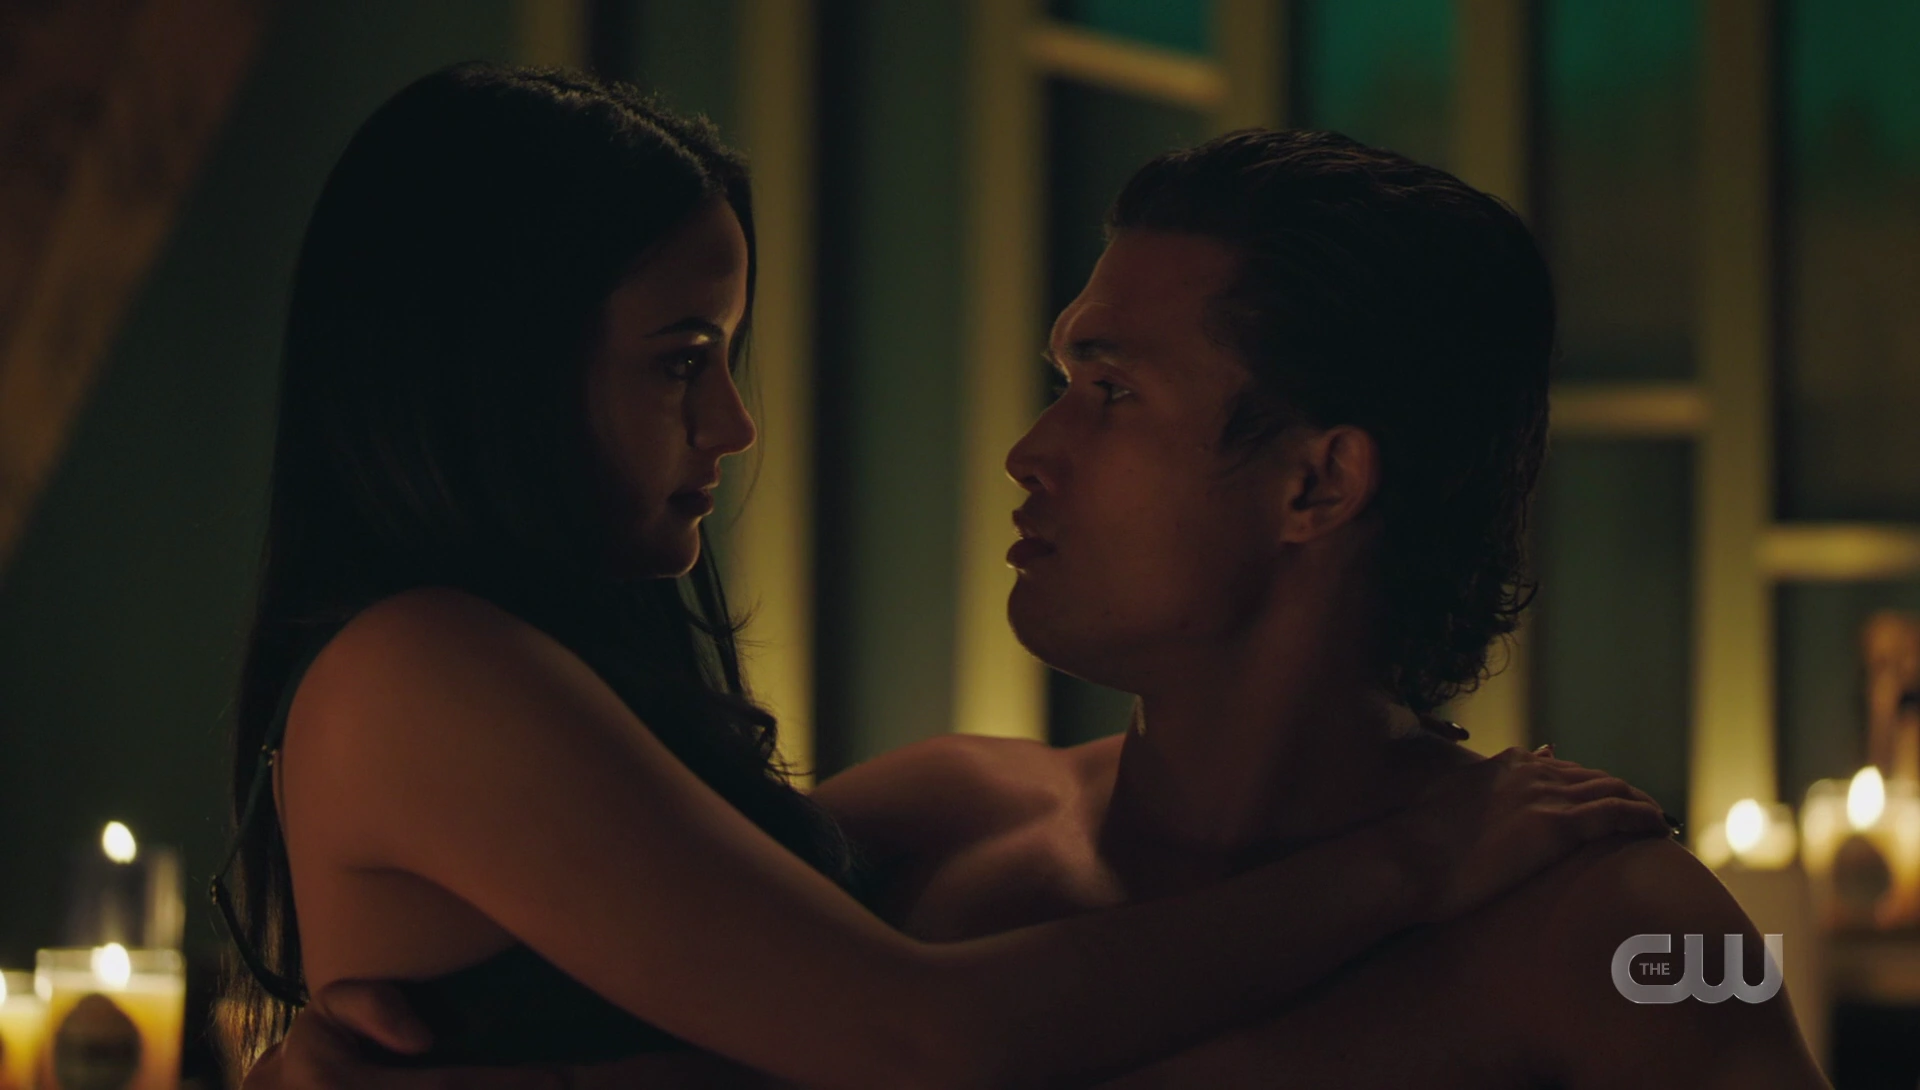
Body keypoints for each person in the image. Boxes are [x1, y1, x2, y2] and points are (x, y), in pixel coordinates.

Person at [223, 62, 1673, 1090]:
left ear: (1318, 482)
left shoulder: (1618, 924)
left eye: (1111, 391)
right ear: (501, 376)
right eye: (681, 360)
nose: (1028, 451)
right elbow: (907, 1035)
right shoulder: (937, 831)